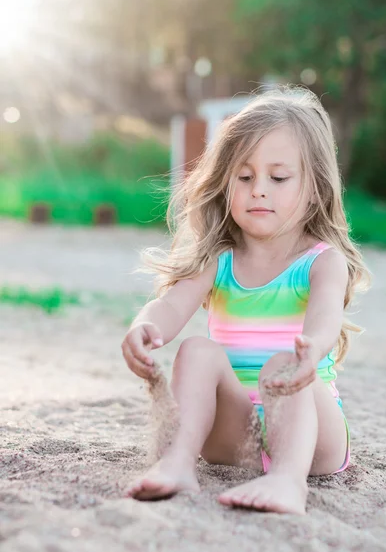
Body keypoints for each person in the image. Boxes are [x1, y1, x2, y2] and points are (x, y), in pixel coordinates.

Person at [121, 87, 370, 515]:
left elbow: (327, 313)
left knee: (282, 363)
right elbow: (172, 306)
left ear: (314, 188)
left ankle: (287, 483)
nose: (258, 190)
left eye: (278, 178)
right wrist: (146, 326)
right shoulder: (219, 257)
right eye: (244, 176)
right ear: (226, 181)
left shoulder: (320, 261)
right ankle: (179, 461)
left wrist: (313, 347)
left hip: (313, 435)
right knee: (197, 349)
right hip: (240, 437)